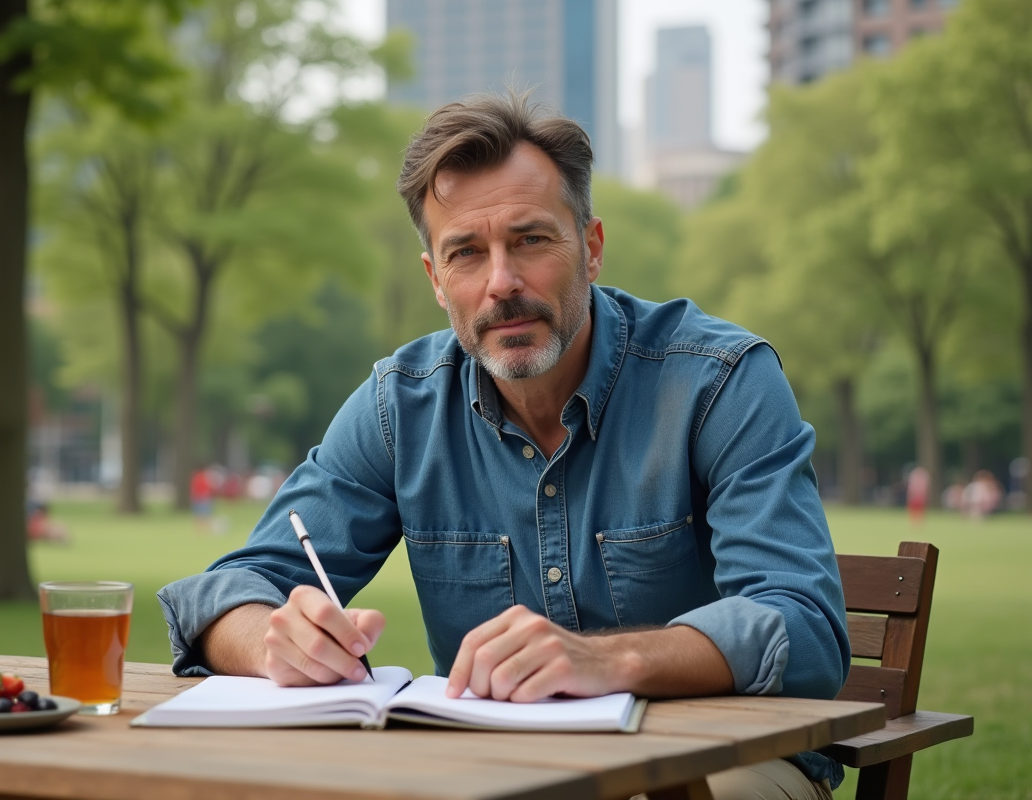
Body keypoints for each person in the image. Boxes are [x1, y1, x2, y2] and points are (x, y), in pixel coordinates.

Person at [158, 93, 849, 800]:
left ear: (593, 247)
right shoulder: (401, 406)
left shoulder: (718, 382)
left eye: (531, 240)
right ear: (435, 280)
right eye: (466, 253)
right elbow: (229, 590)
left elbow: (804, 626)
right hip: (492, 775)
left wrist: (607, 661)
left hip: (717, 765)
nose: (501, 284)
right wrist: (273, 639)